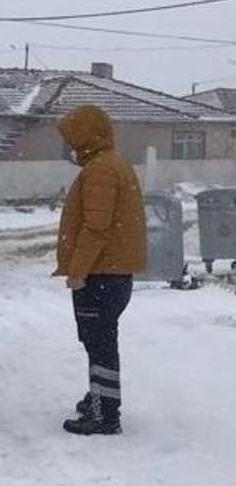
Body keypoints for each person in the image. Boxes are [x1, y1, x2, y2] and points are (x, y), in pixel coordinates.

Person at [54, 104, 146, 436]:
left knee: (99, 342)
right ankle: (100, 396)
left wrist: (78, 271)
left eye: (72, 137)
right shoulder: (109, 163)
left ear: (87, 135)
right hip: (111, 273)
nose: (69, 144)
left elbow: (96, 228)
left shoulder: (101, 170)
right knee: (98, 340)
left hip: (101, 274)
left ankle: (104, 414)